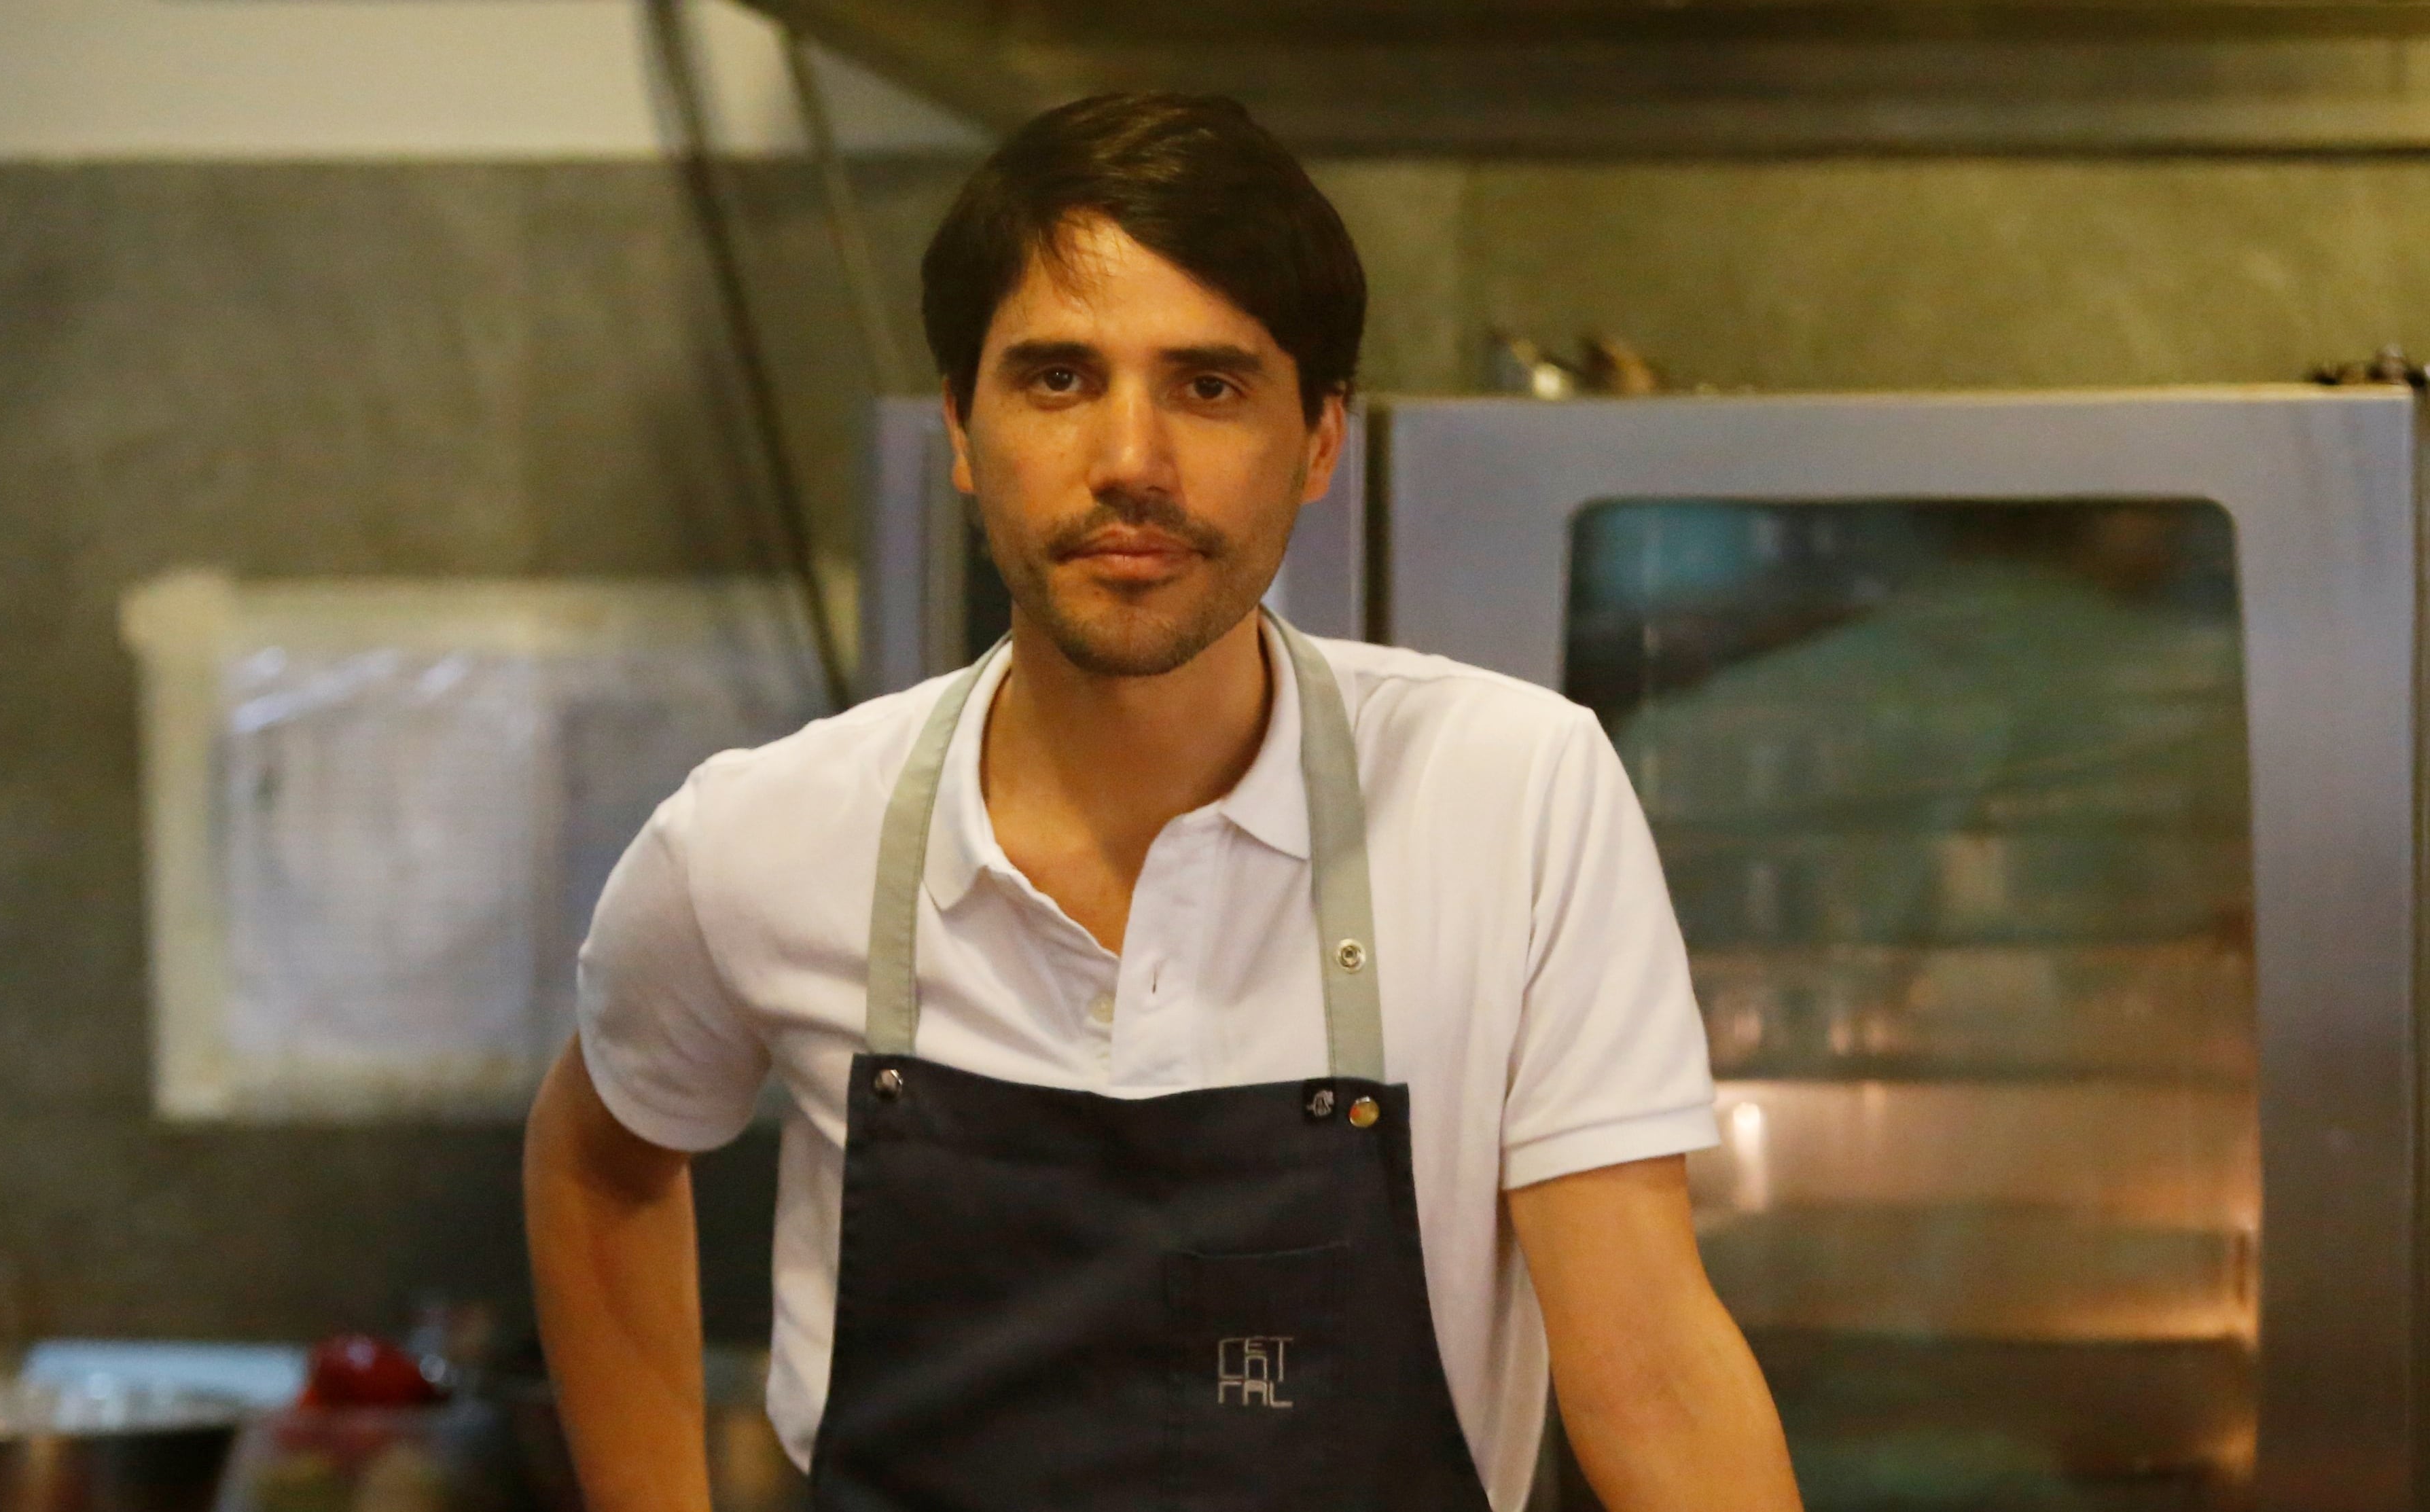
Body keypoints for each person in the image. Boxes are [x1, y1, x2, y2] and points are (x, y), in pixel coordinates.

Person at [523, 92, 1800, 1512]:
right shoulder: (761, 838)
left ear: (1320, 442)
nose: (1131, 459)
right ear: (961, 427)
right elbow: (600, 1154)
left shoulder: (1511, 797)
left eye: (1208, 385)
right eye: (1060, 378)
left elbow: (1654, 1378)